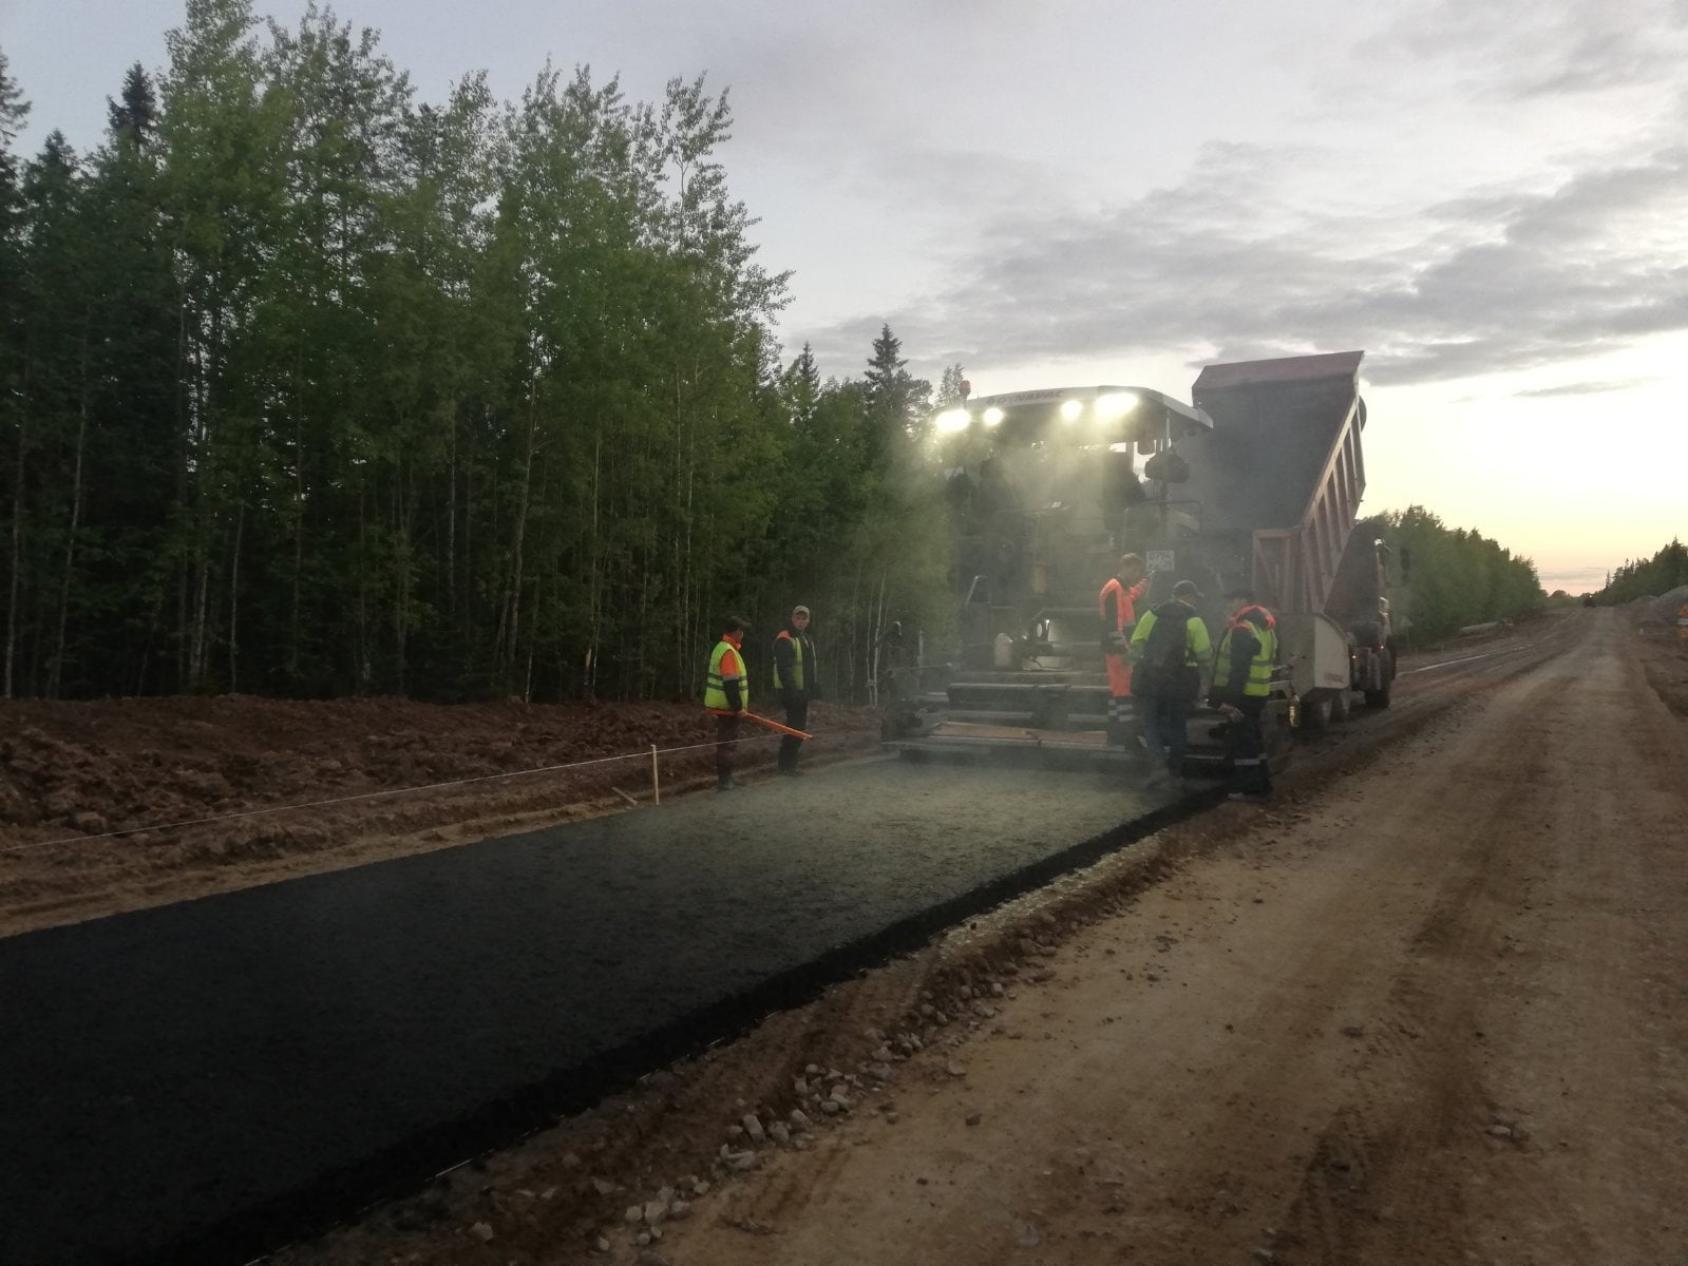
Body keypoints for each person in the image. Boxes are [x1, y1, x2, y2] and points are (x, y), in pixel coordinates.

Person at [1129, 579, 1212, 786]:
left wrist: (1133, 665)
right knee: (1178, 725)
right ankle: (1175, 771)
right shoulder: (1194, 620)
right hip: (1182, 681)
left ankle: (1159, 765)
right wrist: (1206, 680)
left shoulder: (1151, 615)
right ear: (1189, 597)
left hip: (1152, 679)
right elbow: (1204, 655)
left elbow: (1136, 644)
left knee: (1151, 723)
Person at [1209, 588, 1277, 801]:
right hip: (1259, 692)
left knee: (1243, 742)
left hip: (1244, 695)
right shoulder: (1265, 627)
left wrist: (1228, 700)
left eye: (1232, 600)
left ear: (1243, 601)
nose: (1229, 605)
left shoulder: (1243, 628)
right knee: (1254, 740)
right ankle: (1262, 783)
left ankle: (1249, 788)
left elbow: (1239, 668)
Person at [1097, 554, 1150, 748]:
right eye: (1136, 571)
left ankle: (1114, 735)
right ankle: (1128, 738)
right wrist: (1124, 651)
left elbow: (1132, 594)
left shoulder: (1122, 588)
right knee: (1124, 693)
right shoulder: (1115, 588)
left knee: (1116, 692)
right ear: (1126, 567)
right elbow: (1114, 623)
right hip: (1118, 649)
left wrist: (1145, 582)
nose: (1136, 575)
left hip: (1116, 647)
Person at [704, 616, 751, 791]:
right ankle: (725, 780)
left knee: (728, 742)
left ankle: (727, 777)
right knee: (727, 743)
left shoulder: (724, 648)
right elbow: (730, 684)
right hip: (727, 708)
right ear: (736, 632)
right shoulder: (728, 652)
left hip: (725, 707)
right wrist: (738, 707)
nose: (743, 634)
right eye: (742, 631)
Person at [772, 605, 820, 775]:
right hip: (791, 692)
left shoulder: (806, 638)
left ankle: (788, 764)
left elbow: (808, 667)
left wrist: (813, 688)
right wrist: (793, 692)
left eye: (804, 618)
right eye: (798, 618)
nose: (801, 621)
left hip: (802, 691)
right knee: (795, 727)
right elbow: (784, 669)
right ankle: (786, 765)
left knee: (798, 727)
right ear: (792, 619)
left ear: (808, 621)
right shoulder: (785, 638)